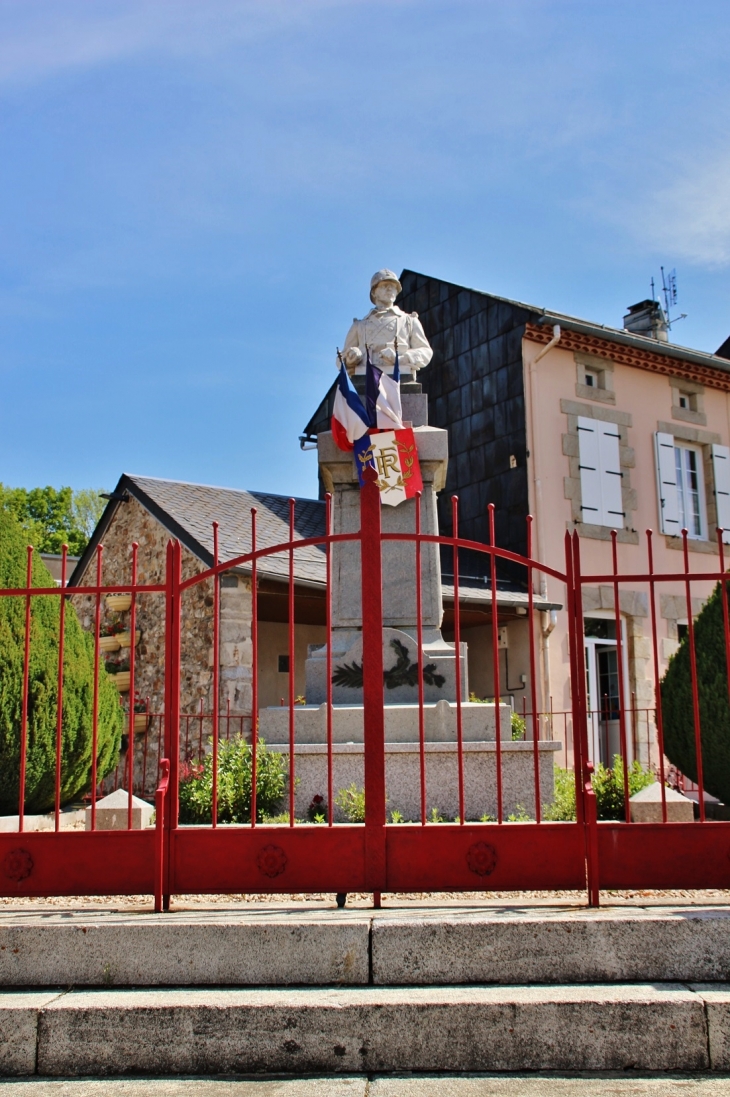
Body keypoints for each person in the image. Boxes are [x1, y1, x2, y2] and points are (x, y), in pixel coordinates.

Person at [339, 269, 433, 378]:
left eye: (393, 286)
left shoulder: (409, 321)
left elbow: (426, 352)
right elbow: (341, 358)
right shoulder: (359, 326)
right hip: (366, 380)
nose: (389, 289)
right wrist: (351, 358)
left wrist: (400, 359)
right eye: (384, 285)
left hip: (400, 379)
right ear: (374, 292)